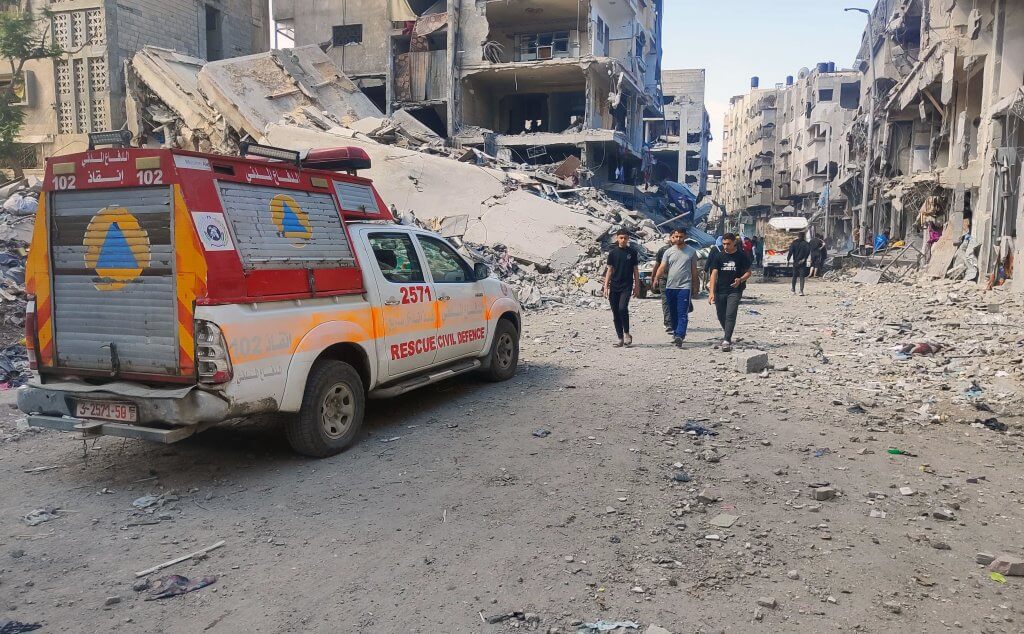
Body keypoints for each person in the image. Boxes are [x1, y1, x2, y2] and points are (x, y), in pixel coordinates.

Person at [651, 228, 699, 348]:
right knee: (672, 312)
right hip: (670, 286)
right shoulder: (668, 252)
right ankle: (676, 332)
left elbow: (694, 270)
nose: (678, 239)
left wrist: (695, 286)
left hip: (685, 286)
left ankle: (680, 335)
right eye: (676, 236)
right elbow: (662, 266)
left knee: (682, 312)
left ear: (685, 237)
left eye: (681, 236)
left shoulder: (691, 252)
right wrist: (656, 278)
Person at [707, 233, 751, 352]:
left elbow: (748, 272)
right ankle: (727, 332)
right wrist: (711, 292)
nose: (725, 246)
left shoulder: (742, 256)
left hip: (735, 290)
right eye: (724, 244)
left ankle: (727, 339)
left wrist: (740, 280)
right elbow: (713, 274)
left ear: (734, 243)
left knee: (730, 314)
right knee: (721, 315)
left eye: (728, 244)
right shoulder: (719, 256)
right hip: (720, 290)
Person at [603, 228, 640, 348]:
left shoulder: (632, 252)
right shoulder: (612, 253)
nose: (623, 240)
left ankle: (627, 334)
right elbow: (609, 270)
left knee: (622, 309)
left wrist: (637, 286)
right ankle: (620, 338)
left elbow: (635, 270)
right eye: (621, 238)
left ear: (628, 239)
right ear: (617, 238)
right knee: (615, 313)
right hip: (614, 286)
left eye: (625, 238)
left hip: (626, 286)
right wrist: (605, 286)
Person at [652, 233, 678, 333]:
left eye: (678, 237)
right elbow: (657, 265)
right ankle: (669, 324)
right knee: (666, 301)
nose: (675, 239)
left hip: (678, 280)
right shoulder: (663, 250)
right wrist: (654, 278)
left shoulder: (684, 250)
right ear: (670, 238)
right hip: (664, 279)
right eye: (673, 237)